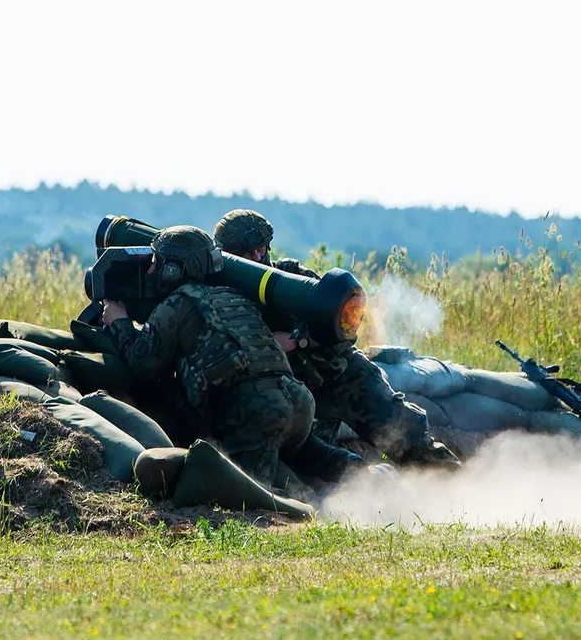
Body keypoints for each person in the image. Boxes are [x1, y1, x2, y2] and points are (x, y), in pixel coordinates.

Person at [101, 225, 362, 488]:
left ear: (174, 269)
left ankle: (315, 509)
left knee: (251, 491)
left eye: (157, 262)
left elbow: (141, 364)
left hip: (257, 409)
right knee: (309, 455)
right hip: (298, 399)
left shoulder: (176, 305)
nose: (150, 270)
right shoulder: (234, 295)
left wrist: (119, 322)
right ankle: (364, 473)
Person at [212, 209, 461, 469]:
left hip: (339, 376)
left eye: (261, 249)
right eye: (247, 253)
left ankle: (451, 482)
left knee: (402, 431)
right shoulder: (224, 300)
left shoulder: (293, 277)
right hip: (294, 396)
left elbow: (344, 330)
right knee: (316, 464)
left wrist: (297, 342)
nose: (257, 257)